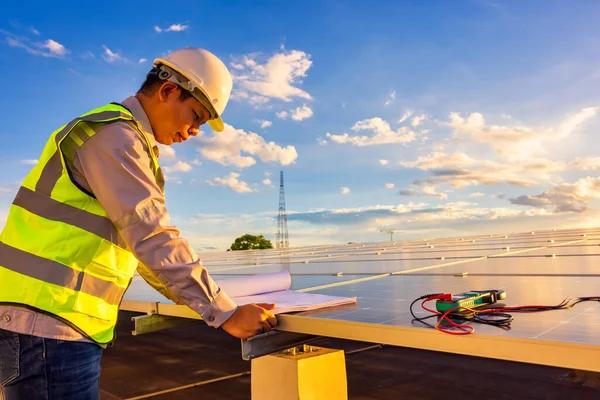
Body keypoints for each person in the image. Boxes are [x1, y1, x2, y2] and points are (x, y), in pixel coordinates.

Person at [0, 48, 277, 399]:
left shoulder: (120, 138)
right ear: (167, 91)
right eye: (196, 116)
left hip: (48, 323)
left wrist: (214, 304)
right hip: (50, 325)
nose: (193, 132)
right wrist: (224, 312)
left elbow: (142, 248)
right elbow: (152, 235)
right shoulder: (116, 137)